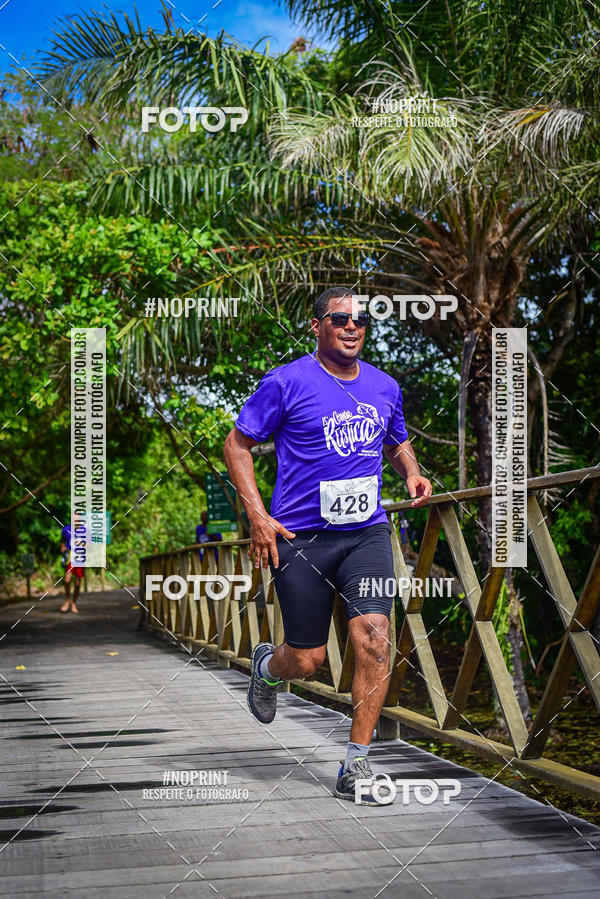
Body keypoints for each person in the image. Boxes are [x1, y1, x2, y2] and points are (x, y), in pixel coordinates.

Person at [223, 286, 432, 804]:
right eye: (339, 319)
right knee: (309, 658)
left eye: (360, 320)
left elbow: (396, 437)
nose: (351, 327)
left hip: (367, 532)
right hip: (301, 538)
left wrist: (411, 471)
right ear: (318, 326)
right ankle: (269, 667)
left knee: (375, 637)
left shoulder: (385, 385)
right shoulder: (286, 381)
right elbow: (237, 444)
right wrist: (258, 516)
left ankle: (356, 764)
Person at [60, 515, 84, 613]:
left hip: (80, 558)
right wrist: (63, 548)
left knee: (77, 583)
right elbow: (62, 541)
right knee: (67, 580)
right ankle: (67, 601)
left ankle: (74, 603)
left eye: (77, 519)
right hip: (69, 558)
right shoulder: (66, 529)